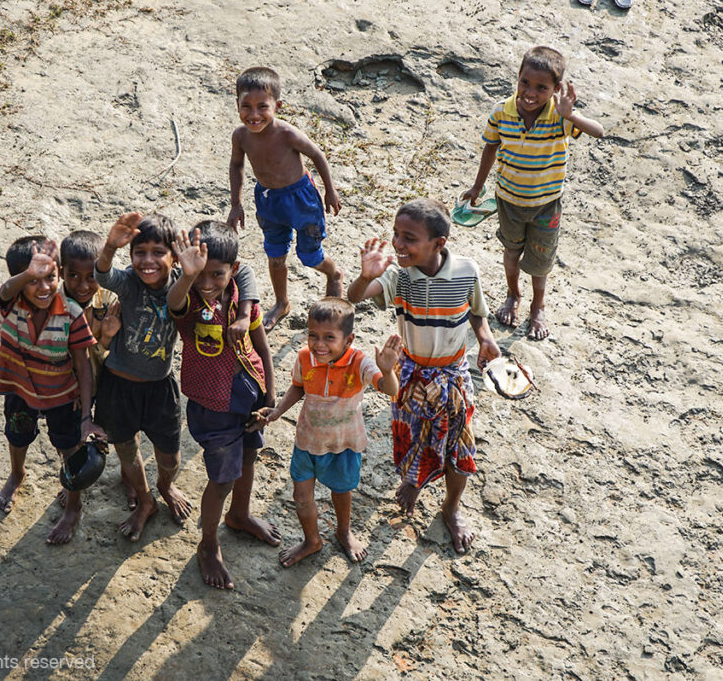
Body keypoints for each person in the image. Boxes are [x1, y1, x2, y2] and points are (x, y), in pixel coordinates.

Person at [94, 212, 260, 541]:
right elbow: (102, 276)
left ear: (175, 257)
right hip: (118, 385)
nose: (147, 261)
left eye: (158, 252)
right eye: (139, 253)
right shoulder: (128, 283)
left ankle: (165, 487)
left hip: (160, 387)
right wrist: (110, 247)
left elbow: (244, 271)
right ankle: (145, 501)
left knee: (169, 455)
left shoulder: (184, 284)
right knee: (126, 450)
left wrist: (241, 311)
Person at [347, 199, 501, 552]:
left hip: (453, 374)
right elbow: (354, 298)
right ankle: (413, 480)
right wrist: (365, 277)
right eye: (396, 235)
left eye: (410, 238)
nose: (399, 244)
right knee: (412, 435)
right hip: (411, 372)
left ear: (439, 243)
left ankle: (451, 508)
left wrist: (485, 337)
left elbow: (476, 312)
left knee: (459, 446)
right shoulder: (396, 276)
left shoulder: (466, 271)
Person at [461, 45, 604, 340]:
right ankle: (513, 294)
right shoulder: (502, 112)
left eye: (542, 87)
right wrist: (477, 186)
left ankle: (538, 305)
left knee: (541, 260)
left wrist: (571, 114)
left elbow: (598, 131)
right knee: (511, 251)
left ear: (555, 90)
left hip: (546, 205)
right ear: (517, 78)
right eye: (525, 82)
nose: (530, 92)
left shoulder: (560, 117)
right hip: (509, 200)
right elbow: (490, 147)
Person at [167, 220, 278, 589]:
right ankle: (208, 543)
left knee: (249, 458)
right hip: (212, 407)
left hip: (250, 398)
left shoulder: (240, 299)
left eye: (216, 274)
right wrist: (188, 274)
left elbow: (262, 347)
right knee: (221, 479)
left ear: (232, 269)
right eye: (199, 273)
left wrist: (271, 397)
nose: (207, 282)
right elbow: (173, 302)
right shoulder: (190, 302)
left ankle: (240, 515)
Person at [253, 298, 401, 566]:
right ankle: (312, 541)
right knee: (301, 497)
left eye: (329, 338)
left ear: (348, 339)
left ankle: (343, 531)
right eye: (313, 336)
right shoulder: (304, 357)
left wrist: (388, 370)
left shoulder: (361, 363)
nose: (319, 345)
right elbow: (298, 387)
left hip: (343, 444)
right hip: (307, 441)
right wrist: (276, 412)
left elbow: (390, 390)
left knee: (341, 491)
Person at [0, 235, 106, 544]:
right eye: (33, 280)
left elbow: (82, 366)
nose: (44, 288)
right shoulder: (10, 304)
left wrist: (85, 415)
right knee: (17, 436)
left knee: (69, 448)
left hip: (62, 397)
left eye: (50, 277)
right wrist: (30, 272)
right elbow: (5, 290)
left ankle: (73, 506)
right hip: (20, 391)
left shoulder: (71, 314)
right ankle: (17, 473)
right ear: (20, 279)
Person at [226, 66, 343, 331]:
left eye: (262, 107)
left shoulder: (287, 134)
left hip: (301, 199)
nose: (254, 115)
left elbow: (317, 155)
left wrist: (330, 190)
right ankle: (282, 302)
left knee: (309, 256)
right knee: (275, 253)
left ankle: (333, 273)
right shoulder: (241, 136)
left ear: (277, 105)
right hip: (268, 200)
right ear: (237, 105)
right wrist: (236, 204)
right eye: (246, 106)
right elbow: (236, 165)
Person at [59, 230, 135, 510]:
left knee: (124, 433)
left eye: (91, 276)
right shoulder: (53, 307)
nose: (82, 285)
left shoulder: (110, 297)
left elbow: (115, 346)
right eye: (73, 276)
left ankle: (129, 476)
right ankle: (74, 497)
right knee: (72, 438)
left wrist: (105, 338)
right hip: (70, 384)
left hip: (109, 378)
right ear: (61, 272)